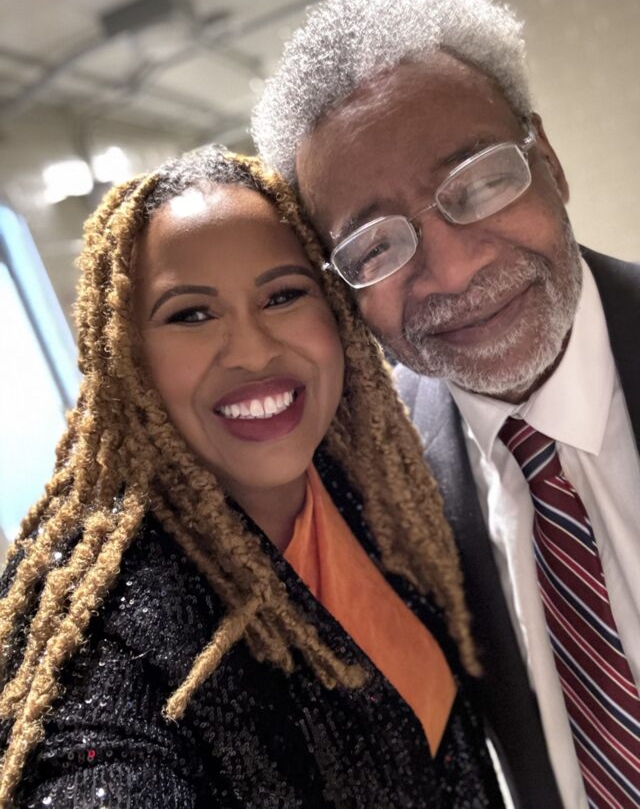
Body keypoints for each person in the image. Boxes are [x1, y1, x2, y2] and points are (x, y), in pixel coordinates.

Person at [0, 146, 505, 808]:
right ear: (127, 355)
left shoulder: (374, 487)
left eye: (283, 295)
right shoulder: (107, 630)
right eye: (191, 313)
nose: (253, 350)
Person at [252, 0, 640, 809]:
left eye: (480, 181)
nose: (454, 267)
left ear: (552, 162)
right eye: (375, 244)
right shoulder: (372, 493)